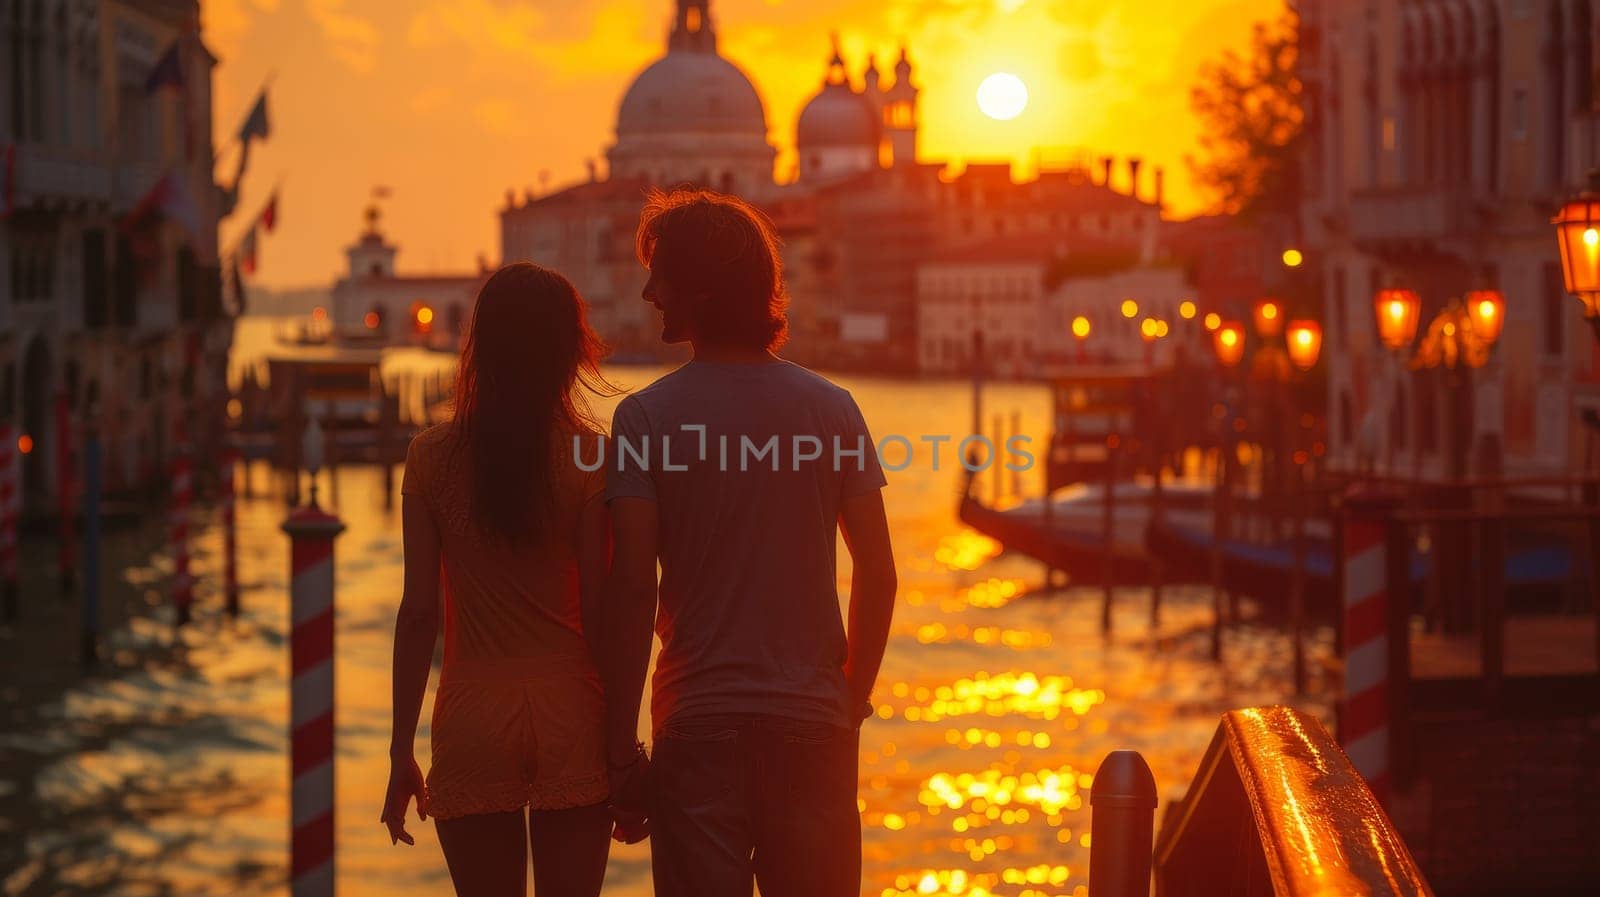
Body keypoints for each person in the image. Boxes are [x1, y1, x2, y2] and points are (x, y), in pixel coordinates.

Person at [603, 189, 899, 897]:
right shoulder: (832, 409)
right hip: (813, 728)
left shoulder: (645, 420)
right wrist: (847, 703)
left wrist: (619, 750)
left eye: (660, 276)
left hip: (698, 724)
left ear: (701, 290)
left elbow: (633, 589)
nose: (648, 293)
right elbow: (879, 576)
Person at [381, 263, 618, 897]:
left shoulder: (430, 456)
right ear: (569, 349)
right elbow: (601, 614)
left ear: (479, 346)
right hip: (572, 711)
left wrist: (400, 750)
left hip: (471, 716)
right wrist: (624, 741)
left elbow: (419, 615)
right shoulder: (591, 456)